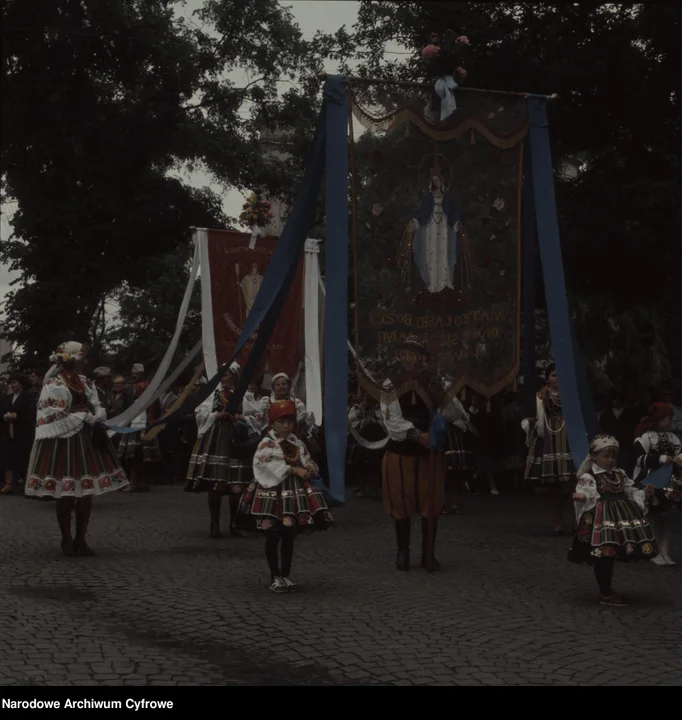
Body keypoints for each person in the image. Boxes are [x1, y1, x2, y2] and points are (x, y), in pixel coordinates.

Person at [24, 342, 128, 555]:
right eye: (84, 358)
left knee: (86, 491)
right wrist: (86, 416)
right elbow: (53, 413)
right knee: (66, 490)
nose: (87, 362)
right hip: (65, 439)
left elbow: (95, 402)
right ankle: (66, 538)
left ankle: (81, 538)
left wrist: (97, 414)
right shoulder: (55, 382)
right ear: (75, 359)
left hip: (85, 438)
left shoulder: (83, 381)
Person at [235, 399, 333, 592]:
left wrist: (310, 465)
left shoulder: (296, 442)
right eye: (282, 422)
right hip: (272, 493)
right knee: (274, 533)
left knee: (289, 535)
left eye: (290, 422)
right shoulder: (267, 443)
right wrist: (294, 470)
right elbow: (265, 463)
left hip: (293, 494)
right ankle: (275, 575)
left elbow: (305, 458)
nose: (286, 426)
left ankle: (286, 574)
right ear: (272, 423)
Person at [380, 336, 446, 571]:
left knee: (432, 501)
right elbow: (390, 419)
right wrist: (417, 435)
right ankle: (403, 552)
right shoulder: (391, 383)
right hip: (402, 452)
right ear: (399, 356)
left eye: (415, 353)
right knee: (401, 501)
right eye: (405, 353)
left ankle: (429, 553)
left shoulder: (435, 381)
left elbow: (452, 412)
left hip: (430, 455)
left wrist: (435, 432)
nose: (410, 358)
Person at [568, 435, 657, 606]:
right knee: (603, 554)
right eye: (605, 456)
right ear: (594, 456)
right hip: (600, 521)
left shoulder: (619, 473)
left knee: (611, 553)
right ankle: (605, 592)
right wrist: (582, 496)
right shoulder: (589, 476)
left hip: (621, 518)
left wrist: (643, 493)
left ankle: (606, 590)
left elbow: (630, 490)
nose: (610, 460)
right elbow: (588, 492)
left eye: (613, 456)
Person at [185, 363, 256, 538]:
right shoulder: (212, 394)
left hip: (237, 441)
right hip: (216, 440)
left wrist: (241, 417)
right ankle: (214, 524)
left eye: (227, 374)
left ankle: (234, 524)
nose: (223, 377)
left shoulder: (244, 396)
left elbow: (258, 416)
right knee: (216, 483)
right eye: (221, 374)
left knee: (236, 485)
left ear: (235, 376)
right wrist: (217, 415)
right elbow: (199, 413)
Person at [524, 363, 574, 535]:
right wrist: (530, 424)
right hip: (549, 441)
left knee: (575, 481)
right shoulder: (540, 396)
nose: (556, 379)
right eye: (553, 375)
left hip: (568, 439)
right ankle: (557, 520)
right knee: (554, 485)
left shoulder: (571, 394)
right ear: (547, 378)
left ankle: (580, 519)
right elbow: (531, 419)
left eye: (559, 375)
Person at [632, 402, 682, 566]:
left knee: (666, 520)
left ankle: (665, 551)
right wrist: (661, 459)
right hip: (651, 484)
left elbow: (679, 452)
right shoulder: (645, 438)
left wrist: (678, 459)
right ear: (659, 419)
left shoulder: (673, 438)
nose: (670, 421)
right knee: (652, 518)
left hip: (669, 485)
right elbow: (639, 459)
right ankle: (653, 551)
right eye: (668, 418)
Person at [0, 373, 36, 494]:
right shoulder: (6, 397)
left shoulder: (28, 397)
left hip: (22, 431)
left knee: (23, 457)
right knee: (8, 456)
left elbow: (31, 414)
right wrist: (6, 416)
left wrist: (17, 417)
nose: (12, 385)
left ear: (21, 384)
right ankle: (8, 483)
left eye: (15, 382)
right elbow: (1, 411)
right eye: (12, 383)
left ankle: (26, 484)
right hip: (8, 431)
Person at [348, 393, 387, 499]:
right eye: (367, 396)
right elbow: (351, 422)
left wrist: (375, 421)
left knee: (374, 464)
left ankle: (373, 487)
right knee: (359, 464)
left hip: (376, 441)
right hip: (361, 440)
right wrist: (364, 422)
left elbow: (386, 422)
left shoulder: (379, 409)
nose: (369, 399)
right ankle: (361, 487)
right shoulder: (356, 409)